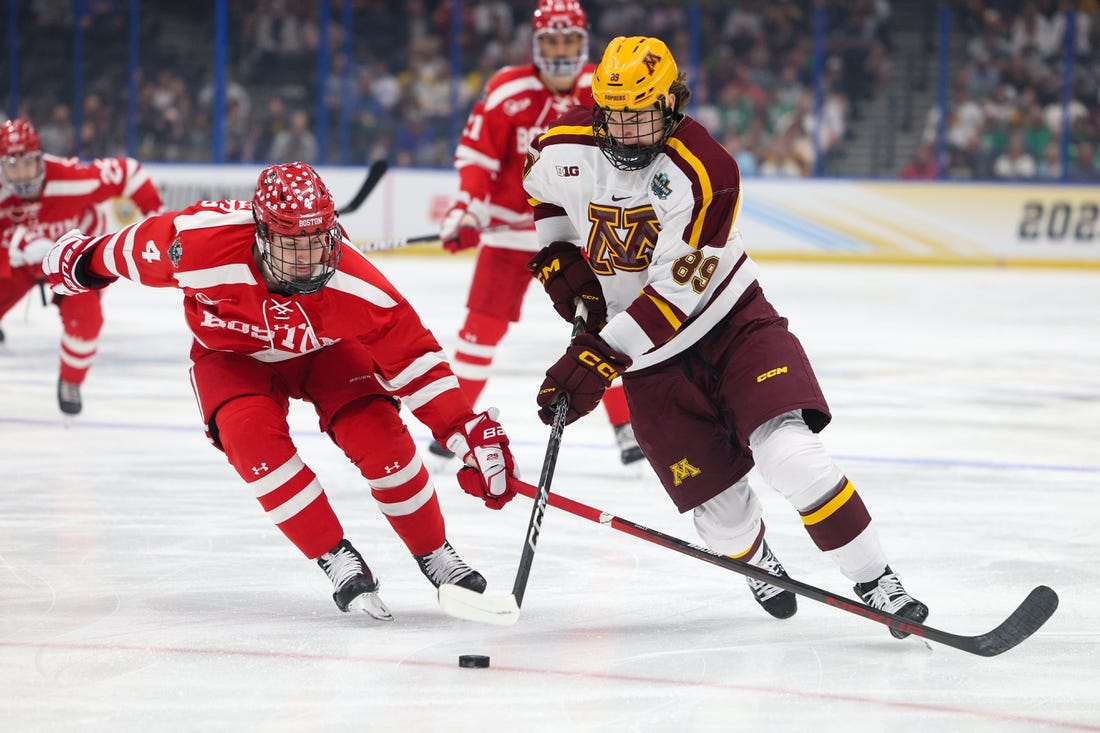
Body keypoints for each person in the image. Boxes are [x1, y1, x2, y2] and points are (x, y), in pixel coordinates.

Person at [521, 36, 928, 636]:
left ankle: (878, 582)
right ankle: (756, 559)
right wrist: (560, 260)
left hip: (730, 327)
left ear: (672, 105)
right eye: (617, 116)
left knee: (792, 456)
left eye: (643, 116)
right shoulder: (561, 147)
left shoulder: (707, 170)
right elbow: (540, 195)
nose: (629, 131)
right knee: (724, 522)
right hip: (649, 364)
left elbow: (677, 295)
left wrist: (599, 357)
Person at [42, 161, 520, 621]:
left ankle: (435, 553)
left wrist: (464, 432)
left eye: (319, 239)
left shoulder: (355, 283)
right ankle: (335, 556)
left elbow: (414, 359)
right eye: (294, 243)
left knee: (384, 442)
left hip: (326, 353)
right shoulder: (198, 244)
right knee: (252, 444)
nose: (311, 257)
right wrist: (81, 262)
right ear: (262, 234)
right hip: (231, 358)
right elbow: (129, 250)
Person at [434, 0, 643, 465]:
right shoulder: (508, 89)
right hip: (510, 236)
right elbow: (477, 161)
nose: (562, 49)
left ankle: (628, 426)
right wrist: (466, 211)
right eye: (553, 40)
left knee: (603, 328)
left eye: (570, 39)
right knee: (479, 331)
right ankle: (456, 420)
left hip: (584, 237)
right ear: (536, 44)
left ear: (584, 41)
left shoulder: (605, 87)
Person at [0, 117, 164, 414]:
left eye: (28, 163)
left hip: (72, 260)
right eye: (13, 165)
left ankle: (71, 380)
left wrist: (160, 216)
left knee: (86, 321)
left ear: (41, 158)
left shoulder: (72, 179)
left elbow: (129, 172)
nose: (22, 175)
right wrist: (18, 243)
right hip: (22, 263)